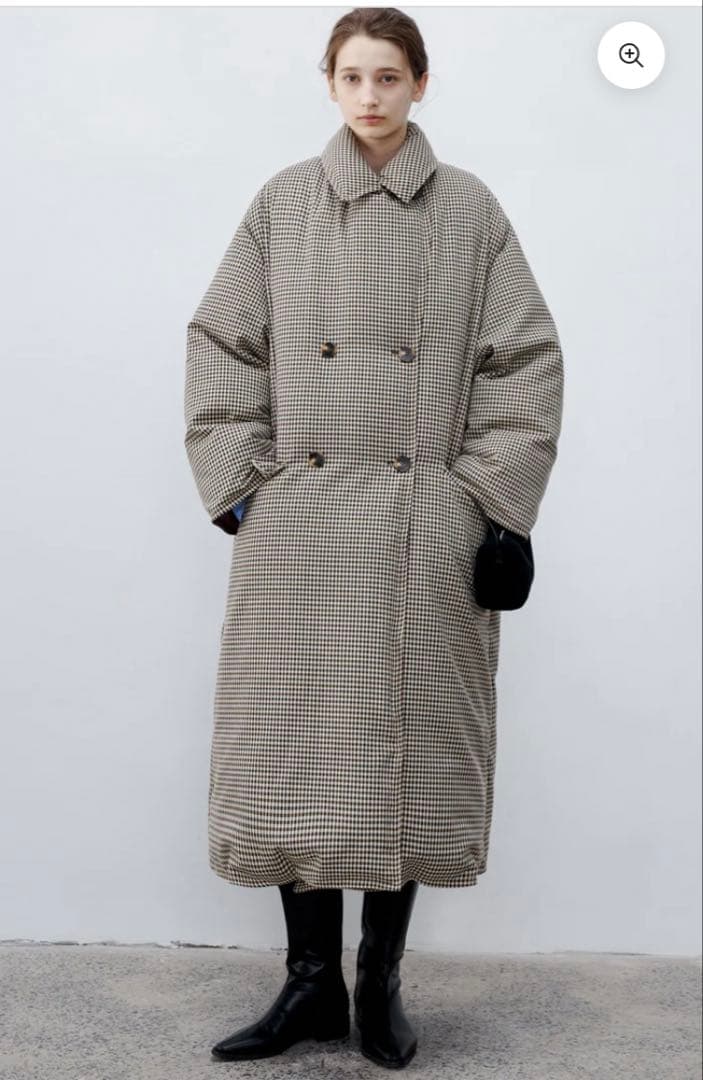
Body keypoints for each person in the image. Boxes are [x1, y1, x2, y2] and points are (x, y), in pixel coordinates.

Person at [184, 6, 564, 1070]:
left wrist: (482, 502)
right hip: (298, 530)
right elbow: (220, 343)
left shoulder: (469, 211)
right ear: (329, 83)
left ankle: (378, 981)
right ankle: (308, 983)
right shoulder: (282, 204)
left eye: (388, 76)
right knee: (293, 750)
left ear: (419, 84)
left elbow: (524, 363)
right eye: (351, 76)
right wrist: (243, 490)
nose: (369, 96)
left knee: (403, 755)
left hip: (416, 531)